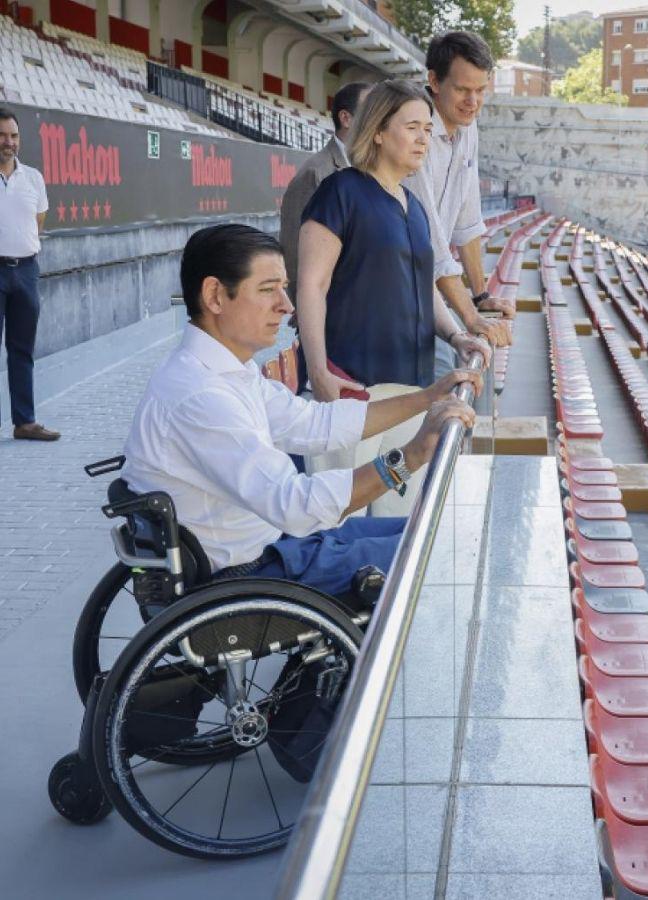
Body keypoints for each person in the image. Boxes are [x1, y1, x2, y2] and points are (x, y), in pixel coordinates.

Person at [121, 223, 479, 595]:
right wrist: (409, 457)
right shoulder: (202, 397)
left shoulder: (226, 371)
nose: (287, 306)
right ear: (214, 296)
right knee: (440, 551)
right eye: (267, 290)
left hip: (276, 542)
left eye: (284, 288)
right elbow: (295, 504)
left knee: (430, 528)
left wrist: (427, 398)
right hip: (254, 569)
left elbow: (314, 424)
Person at [296, 79, 491, 517]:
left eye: (427, 128)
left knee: (395, 520)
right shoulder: (340, 191)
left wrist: (457, 336)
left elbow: (423, 287)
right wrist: (319, 372)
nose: (424, 138)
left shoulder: (413, 205)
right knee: (338, 516)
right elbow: (311, 285)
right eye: (412, 127)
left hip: (409, 391)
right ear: (379, 132)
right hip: (353, 390)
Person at [406, 31, 516, 380]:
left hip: (428, 286)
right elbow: (431, 240)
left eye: (481, 90)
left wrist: (480, 293)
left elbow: (467, 220)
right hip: (394, 287)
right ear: (434, 81)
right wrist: (470, 316)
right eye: (463, 89)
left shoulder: (468, 127)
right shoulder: (413, 131)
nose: (473, 101)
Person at [279, 81, 370, 301]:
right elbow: (294, 248)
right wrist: (306, 307)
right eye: (370, 110)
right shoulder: (315, 173)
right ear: (346, 118)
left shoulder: (373, 169)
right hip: (328, 310)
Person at [0, 107, 58, 441]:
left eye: (14, 136)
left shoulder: (33, 178)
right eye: (3, 135)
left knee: (22, 350)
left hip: (25, 271)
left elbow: (37, 221)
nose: (9, 142)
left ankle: (25, 422)